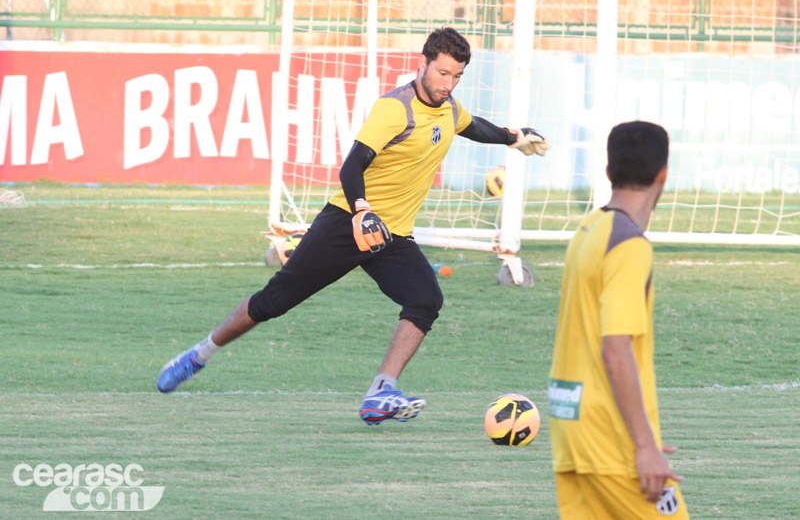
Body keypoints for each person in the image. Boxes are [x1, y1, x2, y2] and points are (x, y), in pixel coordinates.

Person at [157, 27, 551, 425]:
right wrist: (362, 210)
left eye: (457, 76)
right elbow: (352, 165)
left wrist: (511, 137)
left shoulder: (448, 107)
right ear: (423, 63)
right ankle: (199, 354)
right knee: (272, 302)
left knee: (425, 300)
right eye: (442, 73)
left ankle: (381, 391)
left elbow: (470, 125)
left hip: (391, 236)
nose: (448, 84)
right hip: (347, 223)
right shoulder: (395, 108)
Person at [547, 121, 689, 518]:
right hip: (610, 440)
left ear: (609, 171)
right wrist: (644, 444)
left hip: (572, 432)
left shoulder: (590, 229)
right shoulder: (629, 245)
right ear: (663, 174)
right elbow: (615, 348)